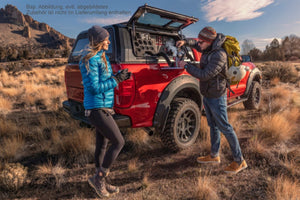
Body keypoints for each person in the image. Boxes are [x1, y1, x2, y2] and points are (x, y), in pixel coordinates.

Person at [176, 26, 247, 174]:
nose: (199, 44)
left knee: (225, 127)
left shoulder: (219, 55)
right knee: (213, 126)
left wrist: (186, 66)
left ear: (208, 41)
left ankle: (239, 161)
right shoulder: (207, 48)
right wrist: (184, 42)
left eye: (201, 42)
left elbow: (205, 74)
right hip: (207, 94)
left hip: (217, 95)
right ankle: (214, 156)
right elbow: (195, 43)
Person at [79, 25, 131, 197]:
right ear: (100, 41)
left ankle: (100, 180)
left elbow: (105, 80)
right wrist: (116, 80)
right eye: (107, 39)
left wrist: (120, 76)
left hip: (103, 107)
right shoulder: (91, 60)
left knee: (102, 145)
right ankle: (99, 179)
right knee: (119, 142)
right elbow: (94, 88)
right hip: (96, 108)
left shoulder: (102, 58)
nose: (109, 41)